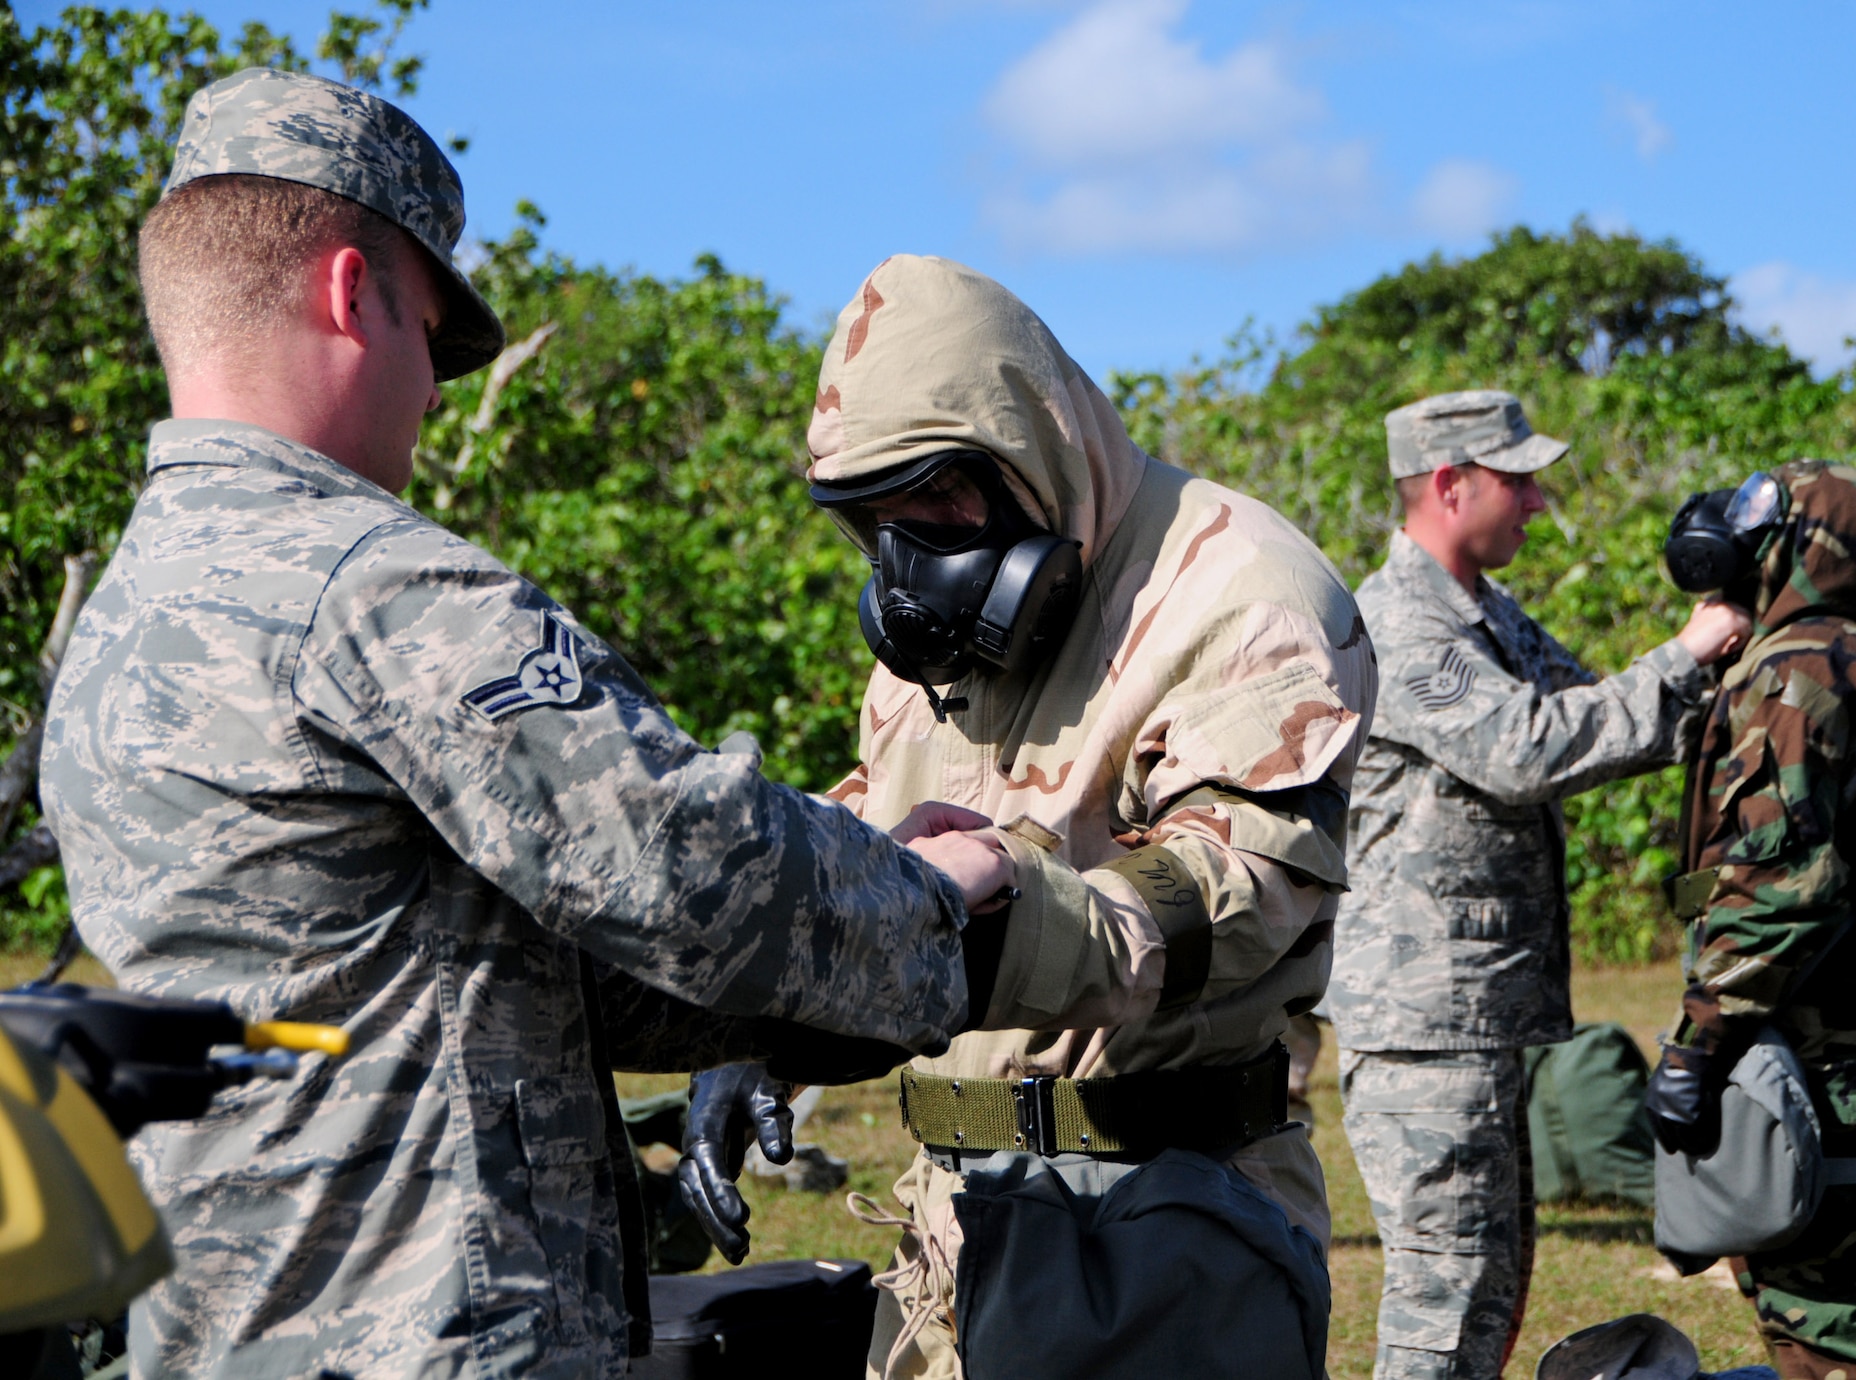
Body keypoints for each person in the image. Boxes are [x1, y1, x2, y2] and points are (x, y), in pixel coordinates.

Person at [37, 69, 1013, 1379]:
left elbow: (479, 971)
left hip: (225, 1329)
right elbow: (684, 870)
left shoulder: (128, 616)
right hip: (431, 1337)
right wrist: (929, 895)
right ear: (348, 290)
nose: (434, 394)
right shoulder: (373, 585)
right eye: (432, 336)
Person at [680, 254, 1376, 1378]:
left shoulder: (1247, 594)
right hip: (951, 1213)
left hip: (1163, 1211)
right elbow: (878, 829)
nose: (906, 562)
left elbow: (1238, 893)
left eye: (935, 501)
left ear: (1029, 448)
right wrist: (766, 1031)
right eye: (871, 521)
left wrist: (995, 911)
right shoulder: (933, 644)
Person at [1321, 390, 1751, 1380]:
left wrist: (1743, 660)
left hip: (1472, 1021)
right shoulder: (1399, 623)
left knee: (1488, 1288)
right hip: (1423, 1025)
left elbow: (1602, 714)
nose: (1538, 500)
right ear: (1446, 484)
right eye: (1516, 480)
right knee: (1443, 1297)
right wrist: (1684, 650)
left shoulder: (1485, 618)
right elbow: (1523, 749)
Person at [1644, 462, 1856, 1380]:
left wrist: (1697, 1044)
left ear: (1815, 542)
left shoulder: (1801, 663)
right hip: (1826, 1029)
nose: (1736, 527)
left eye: (1766, 511)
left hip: (1815, 1038)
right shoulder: (1820, 651)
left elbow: (1779, 882)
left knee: (1844, 1327)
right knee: (1814, 1305)